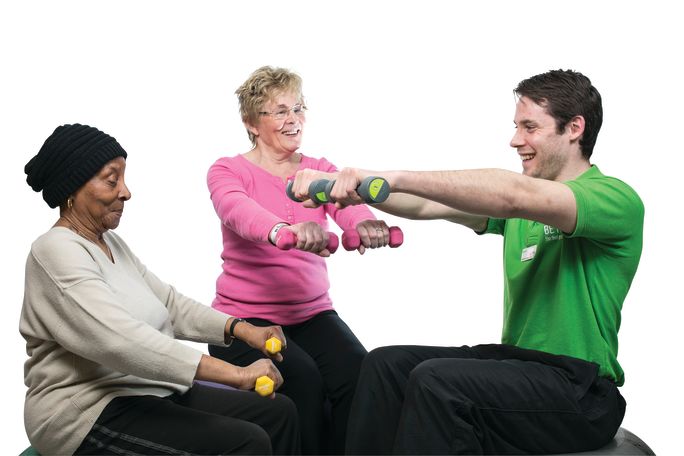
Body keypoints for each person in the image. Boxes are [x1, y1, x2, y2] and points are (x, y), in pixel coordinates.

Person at [290, 69, 644, 454]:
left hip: (581, 389)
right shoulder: (519, 208)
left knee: (435, 380)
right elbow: (428, 203)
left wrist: (391, 176)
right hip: (518, 364)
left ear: (574, 128)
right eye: (516, 127)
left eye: (529, 127)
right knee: (385, 366)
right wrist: (355, 191)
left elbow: (514, 194)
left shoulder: (612, 198)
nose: (515, 140)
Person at [21, 124, 300, 455]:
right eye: (112, 179)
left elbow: (169, 304)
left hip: (144, 389)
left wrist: (241, 329)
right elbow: (121, 341)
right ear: (73, 188)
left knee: (278, 413)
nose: (126, 192)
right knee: (246, 442)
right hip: (85, 409)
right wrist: (236, 374)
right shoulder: (55, 251)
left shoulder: (109, 243)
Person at [207, 66, 393, 454]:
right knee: (304, 379)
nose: (294, 120)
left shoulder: (319, 171)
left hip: (312, 315)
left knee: (360, 373)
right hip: (245, 323)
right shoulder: (228, 170)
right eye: (279, 111)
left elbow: (345, 202)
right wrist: (281, 231)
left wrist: (366, 223)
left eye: (298, 108)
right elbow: (236, 209)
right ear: (251, 123)